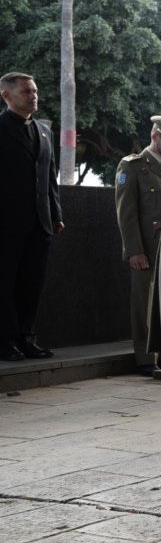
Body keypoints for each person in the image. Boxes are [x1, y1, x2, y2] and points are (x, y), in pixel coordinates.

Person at [0, 72, 63, 361]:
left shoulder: (44, 131)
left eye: (35, 90)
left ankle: (26, 338)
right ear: (6, 95)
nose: (33, 96)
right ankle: (5, 341)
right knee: (6, 282)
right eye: (26, 91)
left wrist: (56, 214)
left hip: (40, 222)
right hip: (7, 222)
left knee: (32, 282)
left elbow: (49, 177)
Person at [114, 115, 161, 375]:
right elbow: (126, 213)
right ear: (155, 136)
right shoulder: (133, 166)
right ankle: (146, 358)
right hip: (148, 247)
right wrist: (134, 250)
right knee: (144, 301)